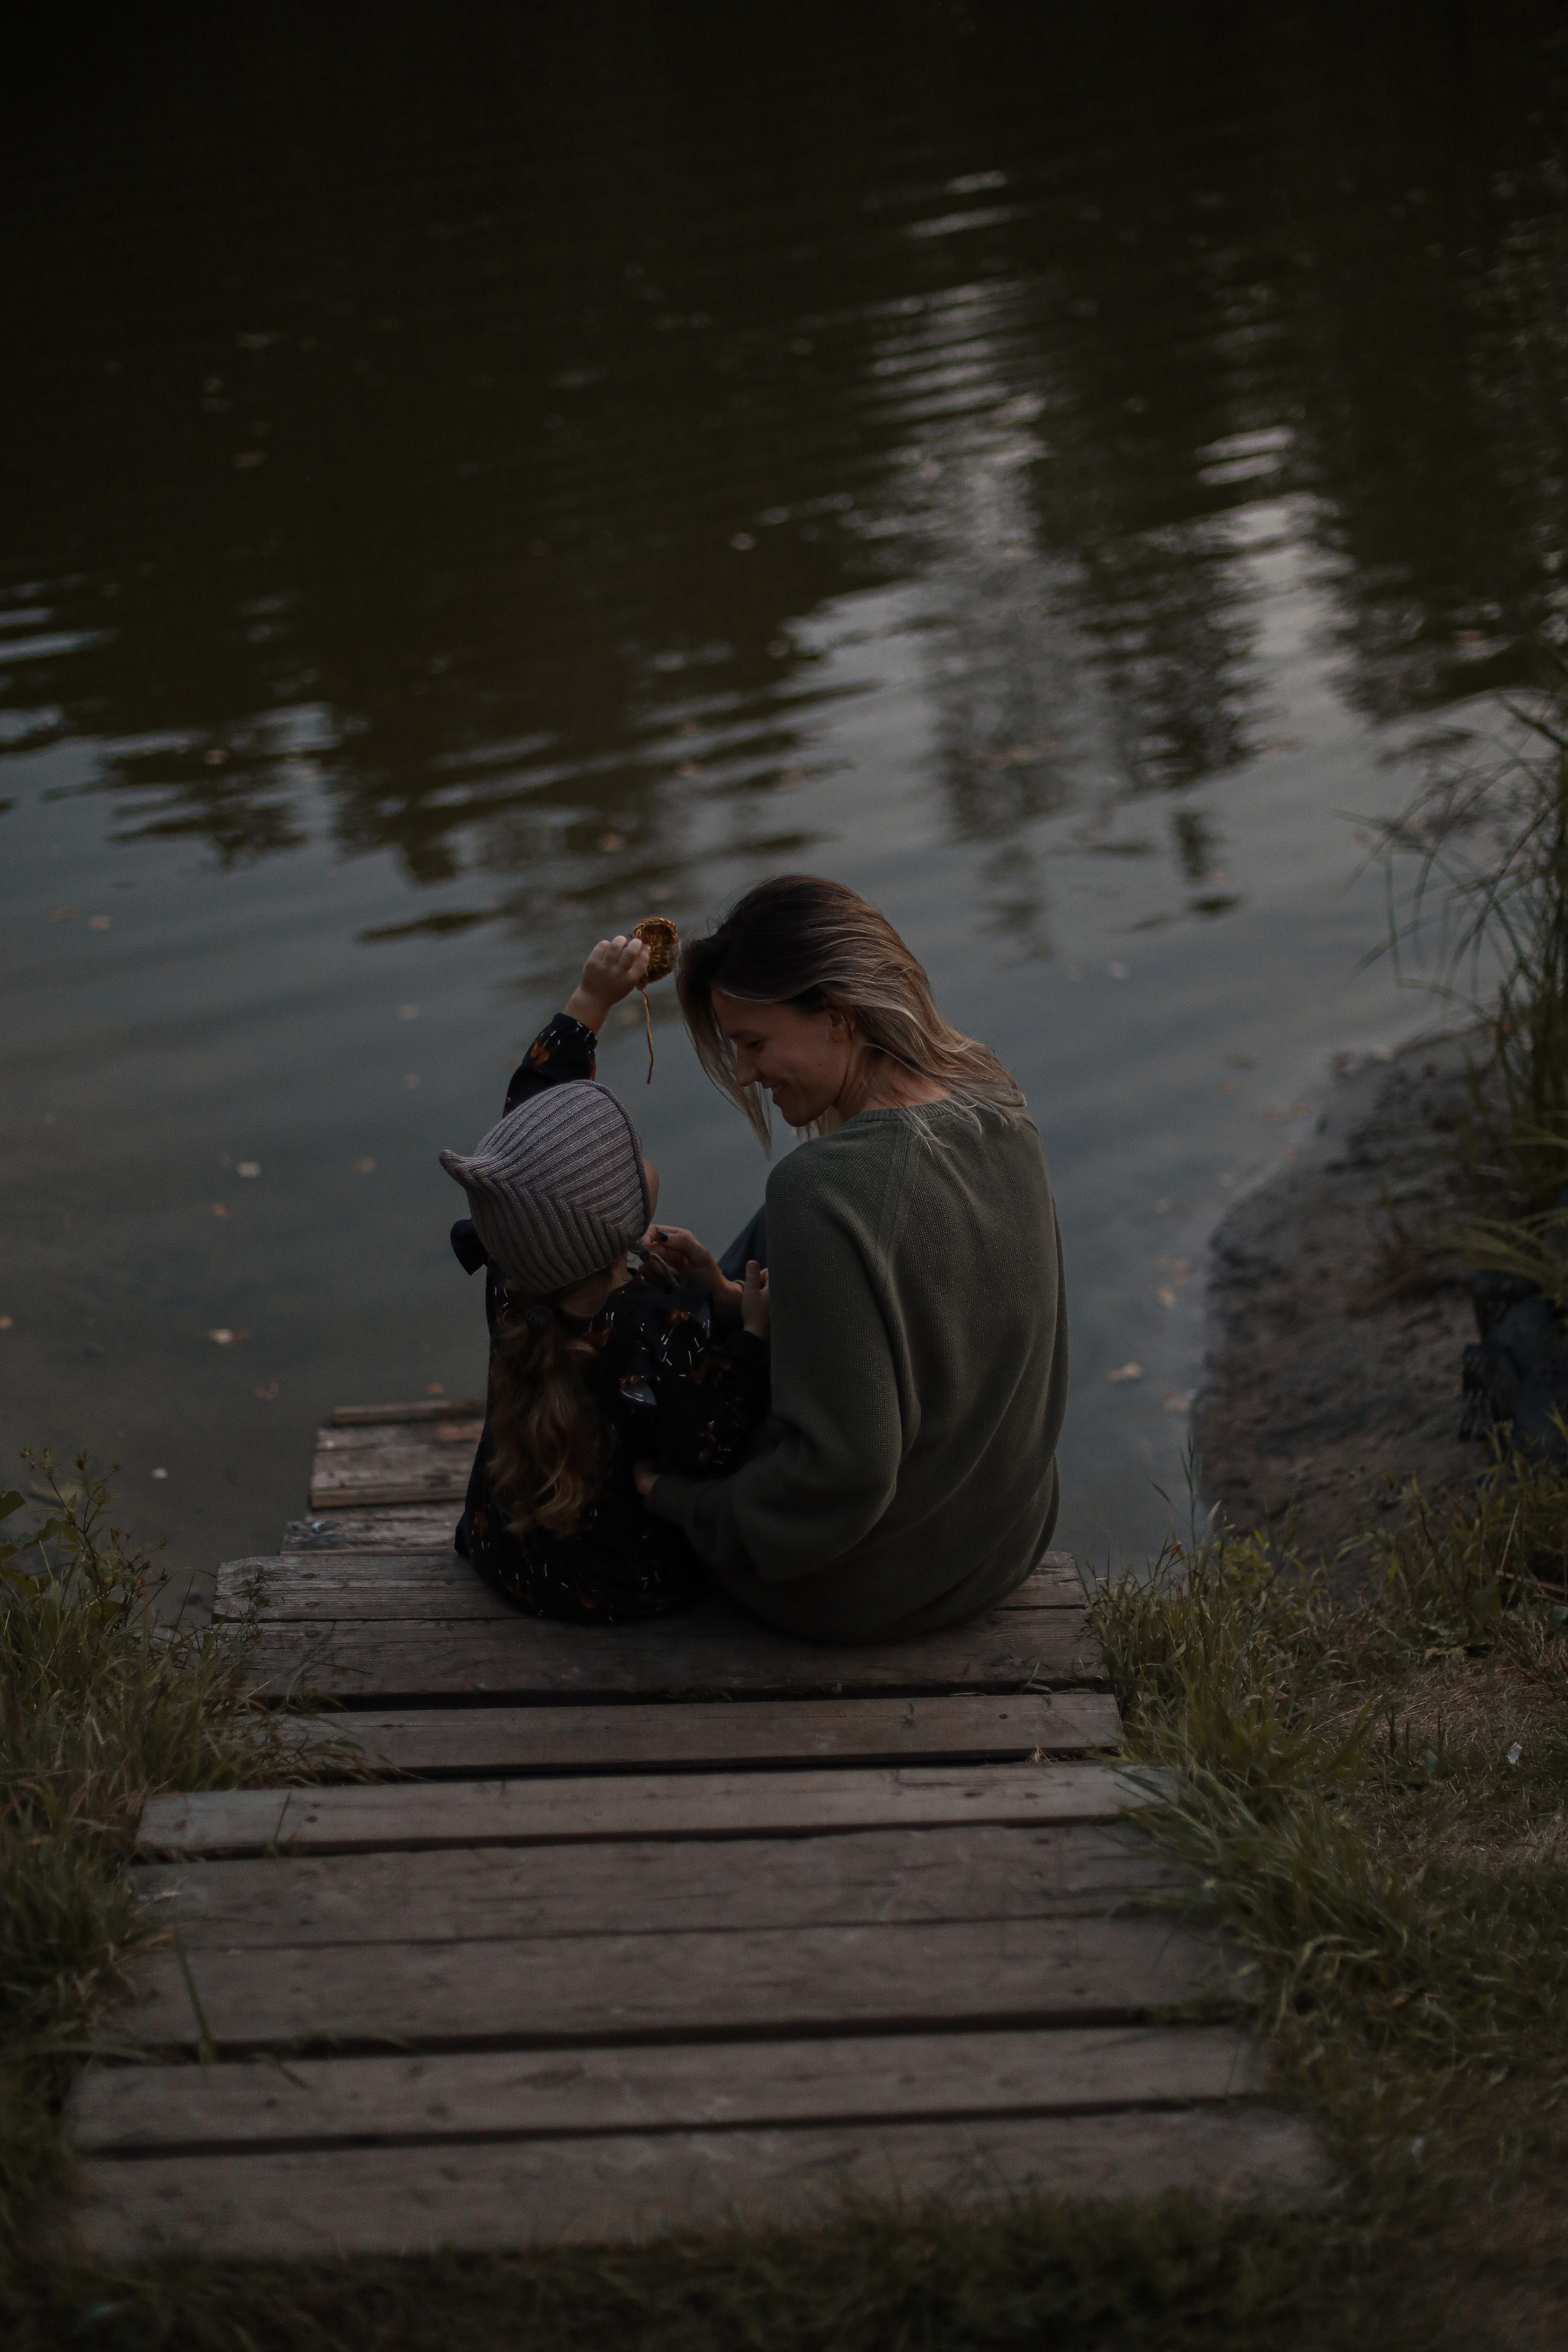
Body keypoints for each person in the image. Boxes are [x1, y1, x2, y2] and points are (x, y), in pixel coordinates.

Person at [633, 875, 1069, 1643]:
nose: (743, 1075)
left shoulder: (822, 1187)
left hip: (864, 1588)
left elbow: (843, 1475)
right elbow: (945, 1325)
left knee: (650, 1335)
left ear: (837, 1020)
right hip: (1000, 1547)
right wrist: (736, 1302)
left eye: (754, 1043)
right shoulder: (1005, 1120)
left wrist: (677, 1501)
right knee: (766, 1243)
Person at [440, 935, 770, 1624]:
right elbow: (715, 1442)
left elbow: (529, 1133)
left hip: (504, 1554)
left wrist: (591, 1000)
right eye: (635, 1156)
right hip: (621, 1585)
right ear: (615, 1220)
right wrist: (750, 1335)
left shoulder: (510, 1272)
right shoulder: (656, 1329)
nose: (644, 1158)